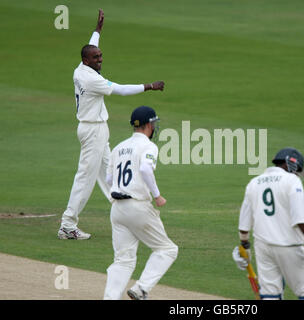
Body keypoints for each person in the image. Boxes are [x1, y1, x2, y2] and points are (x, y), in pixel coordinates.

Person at [58, 9, 165, 240]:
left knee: (112, 173)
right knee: (85, 179)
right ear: (87, 61)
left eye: (101, 56)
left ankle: (126, 217)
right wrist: (149, 86)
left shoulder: (81, 68)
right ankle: (68, 225)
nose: (100, 60)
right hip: (92, 130)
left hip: (96, 129)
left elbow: (89, 46)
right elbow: (120, 89)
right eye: (96, 58)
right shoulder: (92, 79)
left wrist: (97, 30)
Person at [103, 106, 178, 300]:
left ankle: (110, 298)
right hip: (137, 207)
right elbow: (145, 169)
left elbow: (109, 178)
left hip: (117, 209)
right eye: (153, 124)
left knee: (123, 260)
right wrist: (157, 195)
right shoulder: (148, 146)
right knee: (167, 249)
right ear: (148, 125)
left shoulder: (119, 147)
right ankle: (141, 289)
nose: (154, 127)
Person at [232, 147, 304, 300]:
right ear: (290, 164)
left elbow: (244, 223)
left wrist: (244, 245)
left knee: (270, 293)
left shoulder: (254, 182)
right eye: (297, 169)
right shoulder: (292, 180)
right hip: (289, 245)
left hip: (263, 247)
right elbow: (299, 217)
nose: (297, 173)